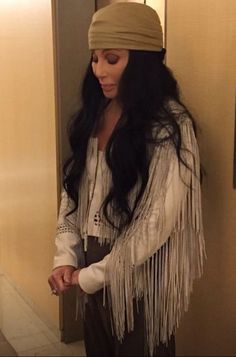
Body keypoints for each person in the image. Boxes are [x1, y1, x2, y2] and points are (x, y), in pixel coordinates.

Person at [48, 2, 205, 356]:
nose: (99, 70)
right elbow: (75, 193)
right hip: (92, 269)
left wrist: (91, 276)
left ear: (143, 61)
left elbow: (156, 221)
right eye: (95, 58)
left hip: (139, 280)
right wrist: (66, 257)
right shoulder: (96, 114)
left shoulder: (170, 126)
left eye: (112, 59)